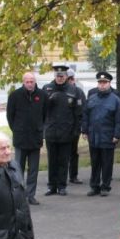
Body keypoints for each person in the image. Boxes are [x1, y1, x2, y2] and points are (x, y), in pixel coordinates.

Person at [81, 72, 120, 197]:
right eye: (100, 83)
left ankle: (105, 186)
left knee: (106, 163)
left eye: (104, 83)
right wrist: (84, 130)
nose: (102, 85)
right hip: (93, 136)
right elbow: (85, 116)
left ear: (109, 83)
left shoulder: (115, 100)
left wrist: (117, 135)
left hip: (108, 136)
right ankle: (94, 186)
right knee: (95, 163)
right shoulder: (92, 98)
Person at [6, 72, 46, 205]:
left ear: (35, 82)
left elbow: (45, 115)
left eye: (32, 81)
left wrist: (40, 129)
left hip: (35, 138)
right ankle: (19, 196)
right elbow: (10, 117)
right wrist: (17, 129)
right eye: (27, 81)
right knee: (18, 169)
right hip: (21, 138)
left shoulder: (42, 95)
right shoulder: (15, 96)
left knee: (33, 169)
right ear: (23, 82)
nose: (30, 84)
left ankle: (31, 195)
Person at [43, 65, 82, 196]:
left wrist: (76, 131)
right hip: (51, 131)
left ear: (66, 77)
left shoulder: (73, 90)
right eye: (57, 76)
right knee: (52, 160)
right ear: (54, 76)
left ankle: (62, 186)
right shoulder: (47, 89)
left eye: (62, 76)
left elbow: (78, 113)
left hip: (67, 131)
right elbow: (42, 111)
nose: (59, 78)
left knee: (63, 161)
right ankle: (51, 186)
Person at [66, 70, 86, 185]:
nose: (70, 81)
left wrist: (81, 128)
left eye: (72, 79)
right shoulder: (61, 91)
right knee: (62, 154)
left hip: (74, 128)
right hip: (62, 128)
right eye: (68, 79)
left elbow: (83, 110)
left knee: (73, 153)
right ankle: (60, 177)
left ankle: (73, 175)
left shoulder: (79, 92)